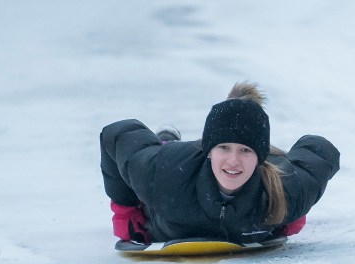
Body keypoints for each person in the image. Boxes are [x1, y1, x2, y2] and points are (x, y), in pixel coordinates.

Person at [100, 82, 340, 245]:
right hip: (177, 163)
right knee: (164, 149)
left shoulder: (288, 187)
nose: (233, 160)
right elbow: (117, 134)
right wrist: (126, 211)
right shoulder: (162, 172)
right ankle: (167, 138)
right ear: (209, 150)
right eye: (223, 147)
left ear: (260, 157)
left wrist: (290, 212)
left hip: (266, 168)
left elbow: (320, 150)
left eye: (245, 150)